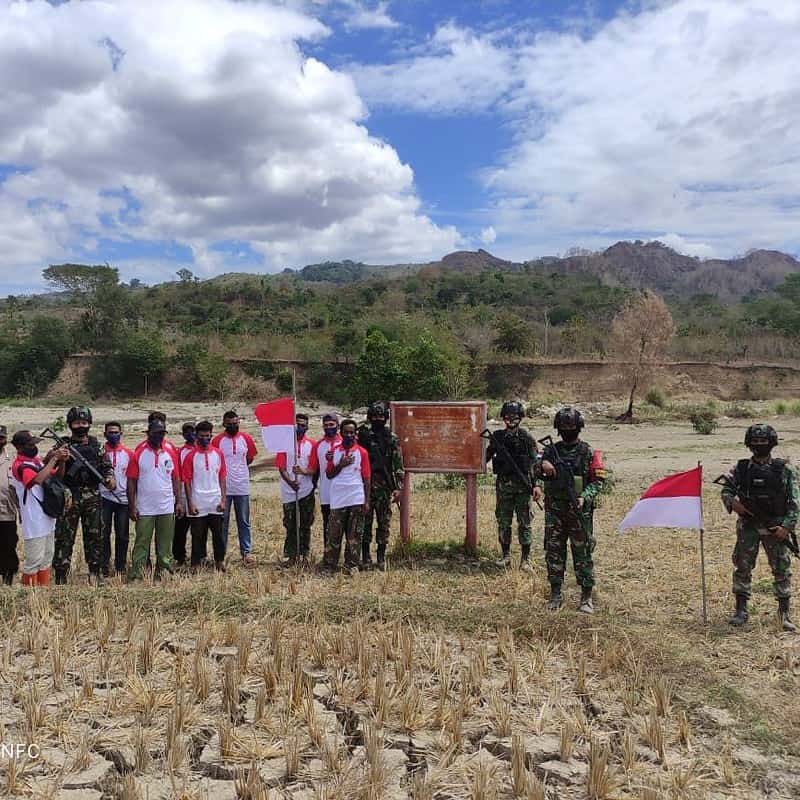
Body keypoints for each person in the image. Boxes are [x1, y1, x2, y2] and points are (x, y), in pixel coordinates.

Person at [721, 424, 798, 631]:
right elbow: (726, 490)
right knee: (743, 567)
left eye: (763, 441)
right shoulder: (741, 468)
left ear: (771, 443)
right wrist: (733, 504)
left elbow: (794, 502)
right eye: (755, 442)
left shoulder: (785, 469)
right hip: (749, 527)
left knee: (781, 569)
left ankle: (784, 614)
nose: (759, 445)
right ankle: (741, 610)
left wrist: (786, 527)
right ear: (749, 444)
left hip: (776, 527)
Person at [539, 407, 606, 613]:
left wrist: (584, 497)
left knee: (583, 554)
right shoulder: (551, 450)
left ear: (579, 428)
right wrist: (543, 464)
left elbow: (599, 481)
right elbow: (534, 467)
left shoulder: (588, 452)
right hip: (555, 511)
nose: (568, 429)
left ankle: (586, 596)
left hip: (579, 513)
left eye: (571, 426)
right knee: (554, 552)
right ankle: (556, 593)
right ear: (558, 428)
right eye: (564, 426)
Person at [53, 406, 115, 585]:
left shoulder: (97, 446)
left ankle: (95, 573)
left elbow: (107, 467)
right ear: (70, 425)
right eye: (77, 423)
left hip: (92, 496)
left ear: (89, 424)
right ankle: (60, 575)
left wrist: (110, 479)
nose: (80, 426)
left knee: (95, 535)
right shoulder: (62, 445)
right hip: (69, 496)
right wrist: (60, 458)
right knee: (64, 536)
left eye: (84, 422)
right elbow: (53, 470)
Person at [485, 400, 540, 571]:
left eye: (514, 417)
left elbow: (535, 464)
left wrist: (536, 485)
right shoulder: (497, 437)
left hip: (524, 488)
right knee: (503, 522)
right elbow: (485, 457)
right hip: (504, 488)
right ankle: (506, 555)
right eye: (507, 417)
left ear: (520, 418)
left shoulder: (527, 438)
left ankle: (525, 559)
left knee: (524, 523)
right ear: (503, 418)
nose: (510, 420)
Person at [126, 419, 183, 580]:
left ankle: (164, 572)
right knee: (142, 542)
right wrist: (132, 506)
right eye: (156, 433)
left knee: (165, 543)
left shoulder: (170, 452)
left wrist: (178, 501)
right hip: (145, 507)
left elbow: (176, 478)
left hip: (166, 506)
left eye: (162, 433)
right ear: (148, 433)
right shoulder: (139, 452)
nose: (159, 436)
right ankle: (138, 573)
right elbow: (131, 480)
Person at [11, 431, 68, 586]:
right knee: (34, 560)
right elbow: (36, 480)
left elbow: (57, 477)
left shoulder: (36, 462)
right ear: (19, 447)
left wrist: (61, 461)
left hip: (47, 517)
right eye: (31, 444)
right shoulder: (20, 466)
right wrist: (54, 458)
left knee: (47, 557)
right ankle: (29, 594)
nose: (34, 446)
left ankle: (42, 592)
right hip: (33, 519)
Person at [357, 401, 404, 571]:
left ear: (386, 418)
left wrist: (398, 488)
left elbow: (398, 465)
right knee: (365, 522)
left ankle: (381, 557)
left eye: (381, 416)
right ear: (370, 417)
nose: (378, 419)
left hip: (385, 487)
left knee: (384, 523)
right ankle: (365, 557)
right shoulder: (362, 436)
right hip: (365, 486)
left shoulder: (392, 438)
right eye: (375, 416)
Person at [323, 419, 370, 574]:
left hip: (356, 497)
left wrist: (366, 500)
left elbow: (366, 478)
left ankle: (351, 565)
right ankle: (330, 565)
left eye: (352, 432)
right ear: (341, 433)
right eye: (346, 432)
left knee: (354, 534)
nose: (349, 435)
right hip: (338, 498)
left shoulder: (362, 452)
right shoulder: (333, 452)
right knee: (334, 534)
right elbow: (329, 474)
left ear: (355, 434)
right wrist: (341, 464)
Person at [212, 411, 258, 566]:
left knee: (244, 521)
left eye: (235, 423)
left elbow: (250, 458)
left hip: (242, 486)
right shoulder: (217, 440)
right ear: (224, 424)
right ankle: (221, 553)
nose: (233, 426)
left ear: (239, 422)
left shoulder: (246, 438)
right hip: (223, 489)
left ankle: (246, 552)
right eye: (229, 424)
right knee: (222, 522)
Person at [183, 421, 227, 572]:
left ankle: (220, 561)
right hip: (198, 500)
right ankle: (195, 564)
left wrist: (223, 499)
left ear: (211, 436)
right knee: (197, 535)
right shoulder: (190, 456)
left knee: (218, 534)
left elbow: (222, 477)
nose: (205, 439)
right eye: (201, 436)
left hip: (214, 500)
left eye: (207, 436)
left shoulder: (218, 453)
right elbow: (187, 481)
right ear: (196, 436)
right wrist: (190, 503)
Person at [276, 412, 317, 565]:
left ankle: (305, 555)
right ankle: (291, 556)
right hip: (288, 491)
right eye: (297, 424)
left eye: (302, 425)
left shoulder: (312, 444)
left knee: (306, 524)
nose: (299, 427)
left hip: (306, 491)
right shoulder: (284, 444)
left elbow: (314, 468)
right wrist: (291, 482)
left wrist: (303, 472)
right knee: (290, 525)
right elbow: (281, 467)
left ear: (307, 427)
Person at [100, 421, 134, 576]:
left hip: (123, 500)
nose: (113, 435)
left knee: (122, 534)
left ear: (121, 434)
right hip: (103, 498)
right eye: (110, 432)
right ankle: (104, 565)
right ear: (104, 434)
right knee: (103, 533)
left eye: (116, 432)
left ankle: (120, 566)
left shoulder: (129, 454)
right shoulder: (99, 453)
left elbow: (133, 479)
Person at [314, 413, 342, 549]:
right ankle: (328, 554)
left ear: (337, 425)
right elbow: (315, 469)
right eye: (325, 425)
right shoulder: (318, 445)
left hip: (344, 492)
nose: (328, 427)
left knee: (345, 525)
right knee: (327, 525)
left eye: (331, 425)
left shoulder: (346, 442)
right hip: (326, 492)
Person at [173, 422, 197, 568]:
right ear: (183, 435)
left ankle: (199, 556)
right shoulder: (180, 452)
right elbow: (177, 475)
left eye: (193, 431)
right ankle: (179, 556)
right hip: (183, 494)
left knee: (199, 530)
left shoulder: (204, 450)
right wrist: (179, 499)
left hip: (199, 494)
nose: (190, 434)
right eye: (187, 432)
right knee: (180, 529)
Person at [0, 426, 20, 585]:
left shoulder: (12, 460)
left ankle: (7, 583)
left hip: (7, 513)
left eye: (1, 437)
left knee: (8, 548)